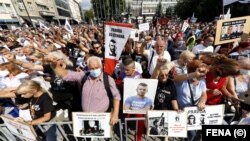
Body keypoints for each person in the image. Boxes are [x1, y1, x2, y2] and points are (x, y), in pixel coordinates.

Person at [51, 56, 120, 125]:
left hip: (102, 119)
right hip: (85, 118)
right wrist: (54, 65)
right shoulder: (83, 76)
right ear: (88, 68)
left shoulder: (108, 80)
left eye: (96, 68)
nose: (94, 70)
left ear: (101, 67)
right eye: (92, 68)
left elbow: (116, 97)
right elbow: (66, 74)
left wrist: (115, 114)